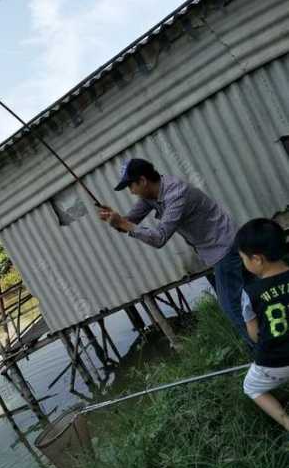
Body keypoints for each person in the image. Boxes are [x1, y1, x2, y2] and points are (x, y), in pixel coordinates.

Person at [98, 158, 249, 341]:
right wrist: (113, 219)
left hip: (225, 246)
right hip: (215, 250)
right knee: (249, 297)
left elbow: (159, 238)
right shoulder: (150, 196)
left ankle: (264, 357)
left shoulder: (176, 193)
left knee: (232, 307)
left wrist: (122, 223)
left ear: (143, 181)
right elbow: (130, 223)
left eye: (131, 186)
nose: (131, 192)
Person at [237, 218, 289, 432]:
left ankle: (286, 421)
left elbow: (255, 335)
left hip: (275, 361)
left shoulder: (250, 293)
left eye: (243, 258)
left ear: (257, 259)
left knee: (251, 386)